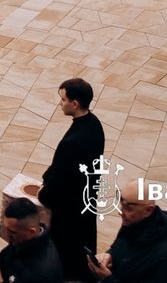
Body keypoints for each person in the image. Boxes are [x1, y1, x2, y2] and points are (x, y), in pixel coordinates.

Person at [32, 77, 103, 280]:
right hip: (85, 201)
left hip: (70, 212)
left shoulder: (73, 142)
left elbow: (61, 179)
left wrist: (44, 192)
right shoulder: (94, 124)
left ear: (75, 103)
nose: (60, 103)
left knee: (67, 254)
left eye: (63, 99)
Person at [86, 189, 167, 282]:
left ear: (148, 210)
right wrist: (109, 255)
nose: (121, 212)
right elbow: (119, 247)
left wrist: (107, 279)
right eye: (121, 205)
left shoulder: (166, 256)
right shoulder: (133, 223)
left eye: (128, 208)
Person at [0, 197, 63, 283]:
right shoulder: (21, 241)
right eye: (6, 229)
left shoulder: (44, 274)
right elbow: (5, 257)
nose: (7, 235)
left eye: (12, 232)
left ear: (31, 232)